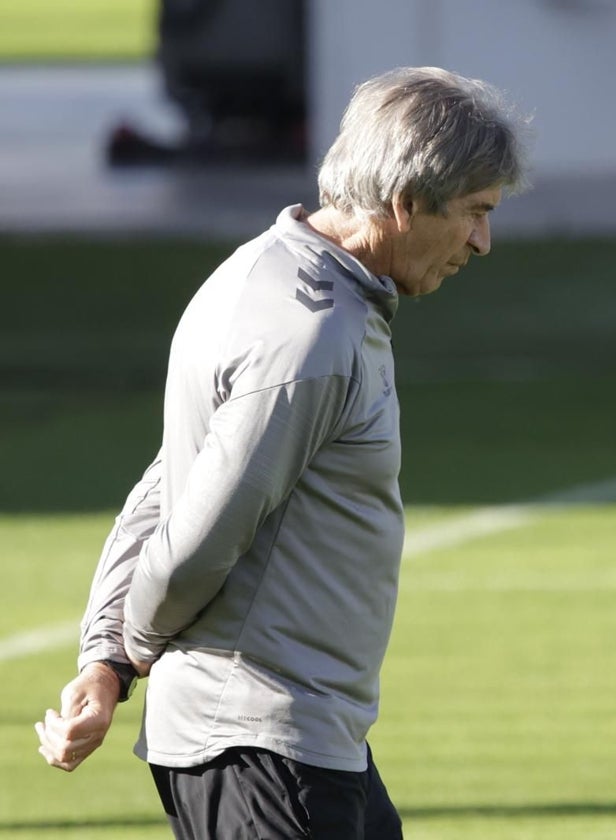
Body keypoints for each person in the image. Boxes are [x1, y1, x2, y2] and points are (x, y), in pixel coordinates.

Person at [35, 66, 530, 839]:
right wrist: (124, 659)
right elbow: (197, 538)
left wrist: (105, 656)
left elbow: (166, 479)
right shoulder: (313, 338)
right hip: (263, 748)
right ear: (405, 203)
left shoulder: (261, 272)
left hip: (302, 743)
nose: (483, 241)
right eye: (474, 212)